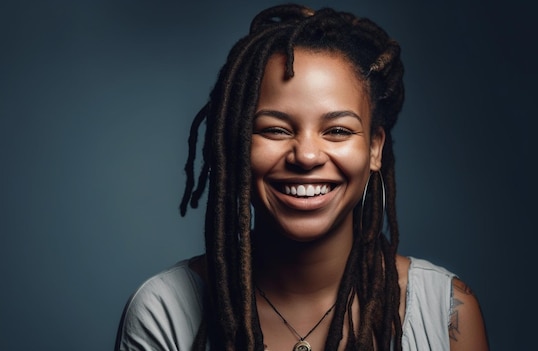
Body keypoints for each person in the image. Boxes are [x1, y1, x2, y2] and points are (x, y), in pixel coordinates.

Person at [115, 4, 489, 351]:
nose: (306, 156)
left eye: (338, 131)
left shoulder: (447, 312)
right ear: (237, 144)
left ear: (375, 149)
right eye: (275, 130)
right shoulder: (163, 312)